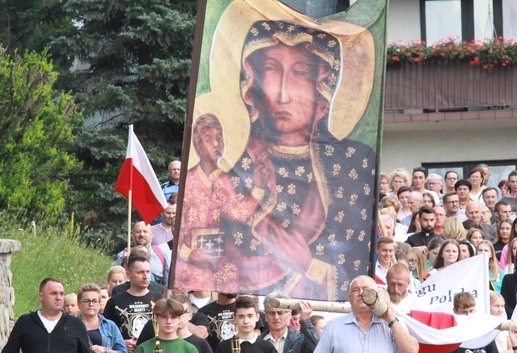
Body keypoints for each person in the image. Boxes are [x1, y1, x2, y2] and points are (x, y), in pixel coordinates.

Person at [193, 20, 377, 299]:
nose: (282, 94)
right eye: (270, 69)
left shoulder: (352, 164)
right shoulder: (232, 162)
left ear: (323, 86)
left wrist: (308, 266)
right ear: (250, 80)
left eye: (300, 73)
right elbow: (207, 255)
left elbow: (354, 267)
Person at [173, 113, 226, 290]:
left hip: (222, 260)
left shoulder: (229, 181)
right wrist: (191, 253)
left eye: (219, 138)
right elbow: (178, 227)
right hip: (192, 263)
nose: (217, 144)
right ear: (197, 145)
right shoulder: (189, 183)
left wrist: (259, 190)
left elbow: (240, 215)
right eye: (209, 140)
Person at [115, 222, 172, 286]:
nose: (141, 234)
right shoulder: (123, 255)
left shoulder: (162, 255)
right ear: (133, 235)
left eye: (145, 231)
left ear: (152, 235)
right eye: (138, 232)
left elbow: (167, 282)